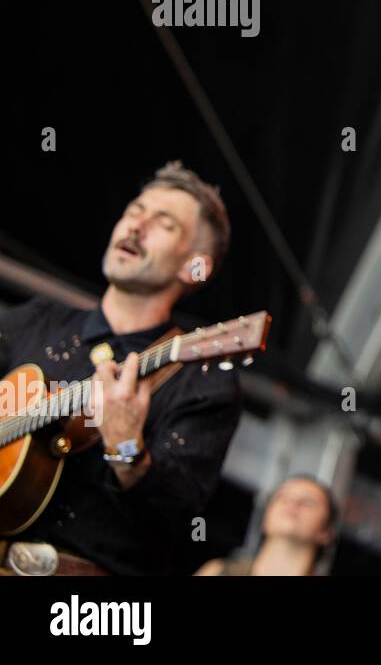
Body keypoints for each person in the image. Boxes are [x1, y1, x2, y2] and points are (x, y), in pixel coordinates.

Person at [0, 161, 241, 575]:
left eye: (164, 223)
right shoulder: (37, 320)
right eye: (134, 211)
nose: (136, 226)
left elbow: (175, 515)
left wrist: (126, 446)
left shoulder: (201, 381)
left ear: (194, 267)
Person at [195, 475, 337, 576]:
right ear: (265, 518)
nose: (293, 504)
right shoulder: (218, 571)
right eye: (283, 497)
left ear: (326, 532)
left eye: (309, 501)